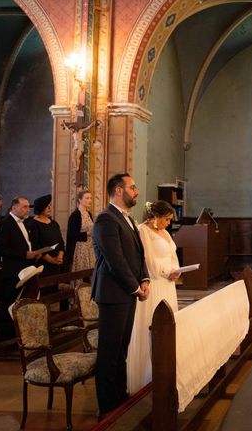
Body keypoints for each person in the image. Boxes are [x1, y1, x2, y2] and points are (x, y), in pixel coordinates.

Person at [91, 173, 150, 419]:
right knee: (109, 351)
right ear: (118, 190)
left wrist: (144, 278)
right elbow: (115, 260)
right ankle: (107, 406)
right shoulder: (106, 219)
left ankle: (119, 397)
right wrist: (134, 287)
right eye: (132, 187)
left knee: (122, 348)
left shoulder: (127, 219)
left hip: (126, 292)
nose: (136, 191)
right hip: (114, 293)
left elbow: (137, 254)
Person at [127, 200, 180, 394]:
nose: (168, 223)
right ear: (156, 217)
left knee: (167, 327)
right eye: (166, 219)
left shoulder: (165, 233)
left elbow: (172, 254)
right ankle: (146, 375)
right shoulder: (143, 231)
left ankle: (164, 372)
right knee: (152, 326)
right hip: (154, 283)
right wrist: (167, 272)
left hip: (168, 284)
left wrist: (177, 271)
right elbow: (147, 260)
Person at [0, 197, 41, 339]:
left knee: (23, 303)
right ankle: (7, 336)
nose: (28, 210)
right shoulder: (4, 224)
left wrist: (33, 254)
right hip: (12, 271)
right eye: (24, 207)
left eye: (28, 207)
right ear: (14, 207)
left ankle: (21, 334)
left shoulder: (25, 223)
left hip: (26, 268)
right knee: (10, 303)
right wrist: (24, 254)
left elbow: (26, 243)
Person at [29, 195, 65, 306]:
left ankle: (54, 317)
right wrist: (51, 260)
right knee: (44, 293)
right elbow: (36, 246)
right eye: (47, 206)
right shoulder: (33, 224)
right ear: (40, 208)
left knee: (54, 292)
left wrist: (60, 256)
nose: (49, 208)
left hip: (56, 264)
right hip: (42, 265)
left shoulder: (54, 223)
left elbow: (61, 242)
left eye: (50, 206)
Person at [65, 189, 95, 276]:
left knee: (91, 273)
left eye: (91, 198)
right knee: (81, 274)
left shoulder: (89, 213)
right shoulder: (75, 215)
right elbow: (72, 235)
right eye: (87, 198)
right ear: (80, 200)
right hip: (80, 249)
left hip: (90, 248)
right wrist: (87, 234)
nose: (89, 200)